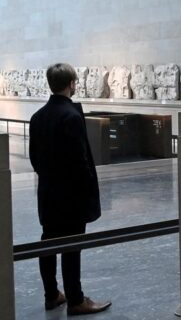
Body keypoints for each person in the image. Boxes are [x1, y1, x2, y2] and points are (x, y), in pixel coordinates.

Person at [29, 63, 111, 315]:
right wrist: (87, 192)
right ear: (72, 84)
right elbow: (80, 161)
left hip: (48, 192)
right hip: (71, 195)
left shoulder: (37, 116)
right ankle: (76, 299)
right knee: (71, 247)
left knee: (48, 242)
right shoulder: (72, 116)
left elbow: (34, 158)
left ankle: (52, 294)